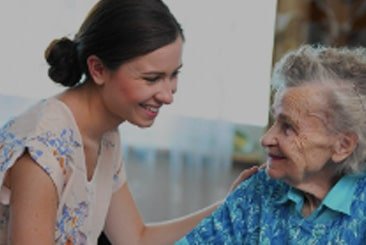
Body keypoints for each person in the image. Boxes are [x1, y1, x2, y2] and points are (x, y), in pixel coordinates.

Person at [0, 0, 258, 244]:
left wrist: (229, 206)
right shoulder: (41, 147)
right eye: (152, 78)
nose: (168, 95)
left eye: (173, 75)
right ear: (98, 69)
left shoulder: (106, 134)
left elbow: (135, 239)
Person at [176, 44, 366, 244]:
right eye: (274, 121)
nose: (266, 139)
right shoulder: (261, 189)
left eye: (288, 127)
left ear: (343, 145)